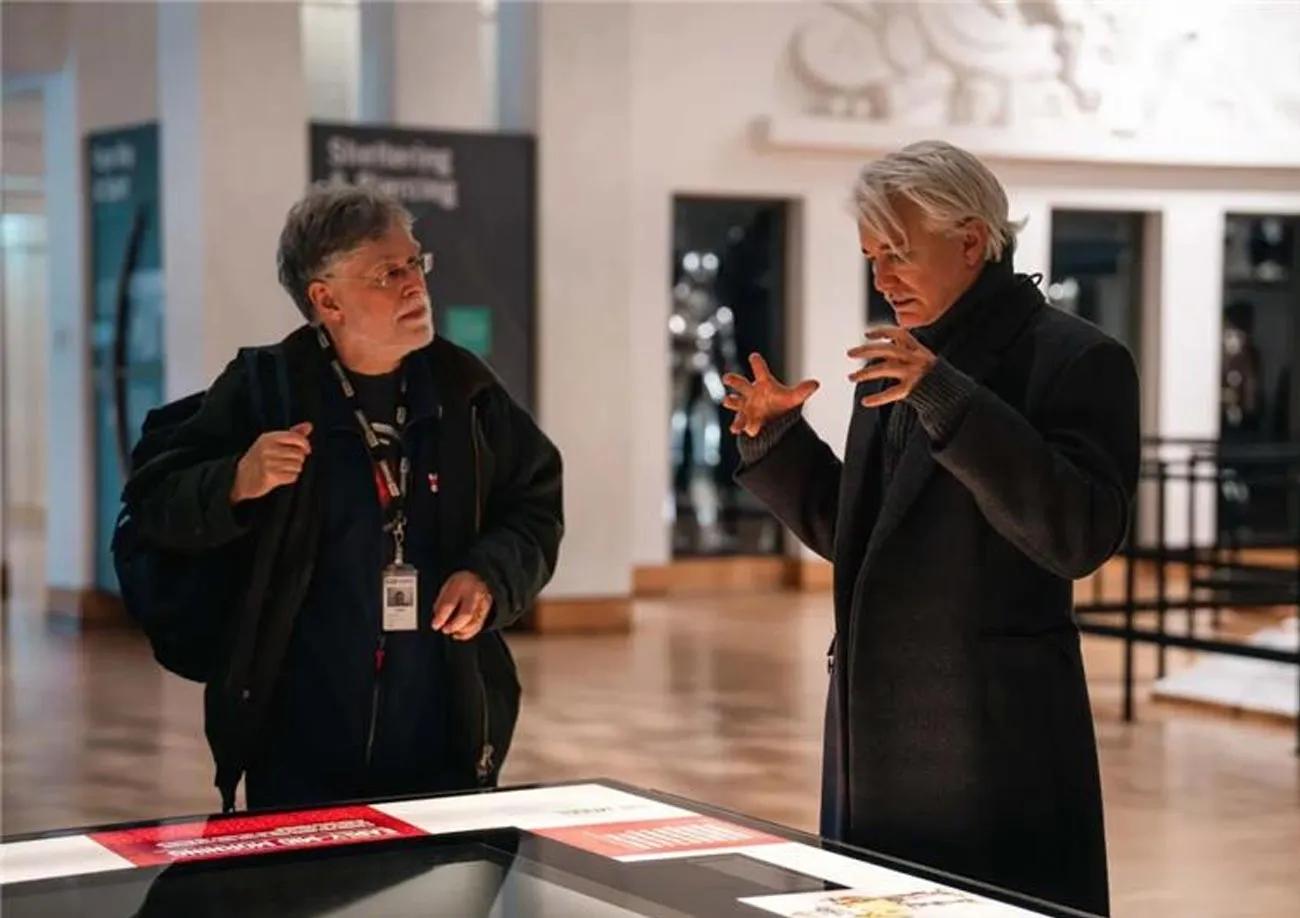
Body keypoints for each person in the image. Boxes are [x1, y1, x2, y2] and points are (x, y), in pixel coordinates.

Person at [722, 141, 1138, 915]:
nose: (881, 277)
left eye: (899, 253)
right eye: (871, 255)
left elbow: (1080, 535)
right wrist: (778, 444)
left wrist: (949, 401)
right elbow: (870, 537)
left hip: (992, 743)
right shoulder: (904, 359)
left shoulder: (1079, 358)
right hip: (876, 738)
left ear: (973, 241)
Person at [127, 183, 563, 810]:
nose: (415, 284)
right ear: (325, 299)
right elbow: (155, 500)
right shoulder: (265, 388)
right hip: (297, 734)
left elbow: (535, 504)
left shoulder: (466, 391)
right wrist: (236, 481)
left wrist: (491, 576)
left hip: (444, 727)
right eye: (388, 272)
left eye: (416, 262)